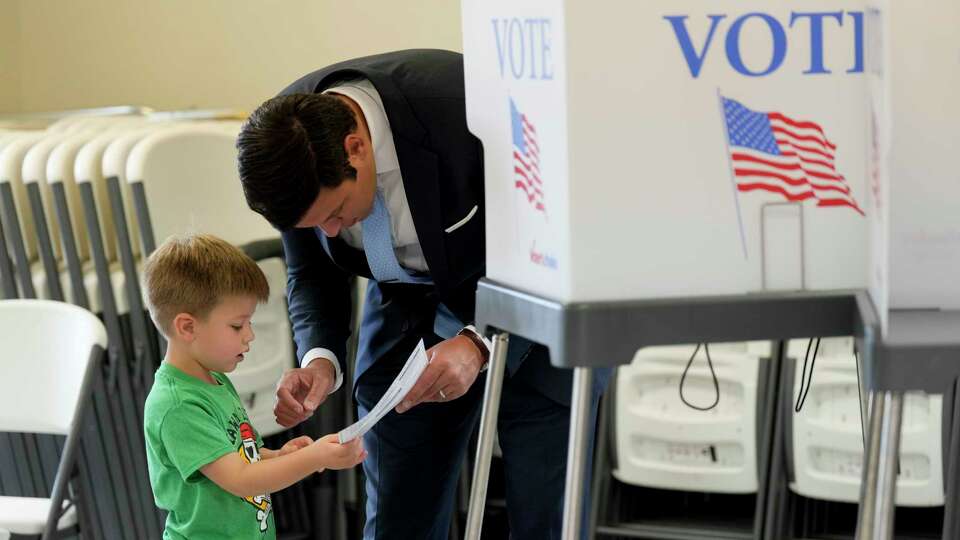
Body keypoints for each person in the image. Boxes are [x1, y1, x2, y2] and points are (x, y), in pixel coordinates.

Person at [236, 49, 609, 539]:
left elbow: (558, 237)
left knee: (546, 512)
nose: (330, 230)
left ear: (356, 148)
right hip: (404, 309)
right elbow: (310, 273)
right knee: (397, 516)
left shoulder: (473, 111)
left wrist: (478, 341)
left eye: (336, 211)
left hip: (532, 299)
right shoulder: (284, 143)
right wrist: (320, 360)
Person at [141, 233, 366, 539]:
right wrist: (314, 458)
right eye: (237, 325)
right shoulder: (178, 404)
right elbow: (242, 479)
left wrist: (281, 456)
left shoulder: (215, 381)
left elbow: (245, 458)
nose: (249, 336)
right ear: (187, 326)